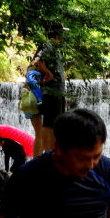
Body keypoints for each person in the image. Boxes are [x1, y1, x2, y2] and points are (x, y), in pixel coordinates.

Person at [32, 22, 67, 152]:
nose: (63, 35)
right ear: (57, 33)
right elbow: (37, 61)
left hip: (56, 91)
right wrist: (48, 73)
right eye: (61, 32)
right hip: (51, 90)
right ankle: (49, 153)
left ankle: (52, 151)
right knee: (50, 123)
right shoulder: (48, 45)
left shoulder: (53, 47)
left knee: (55, 122)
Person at [24, 70, 44, 156]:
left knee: (40, 134)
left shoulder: (31, 71)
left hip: (29, 104)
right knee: (40, 134)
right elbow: (31, 81)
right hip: (35, 104)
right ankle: (37, 159)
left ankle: (38, 158)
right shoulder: (34, 71)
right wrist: (40, 97)